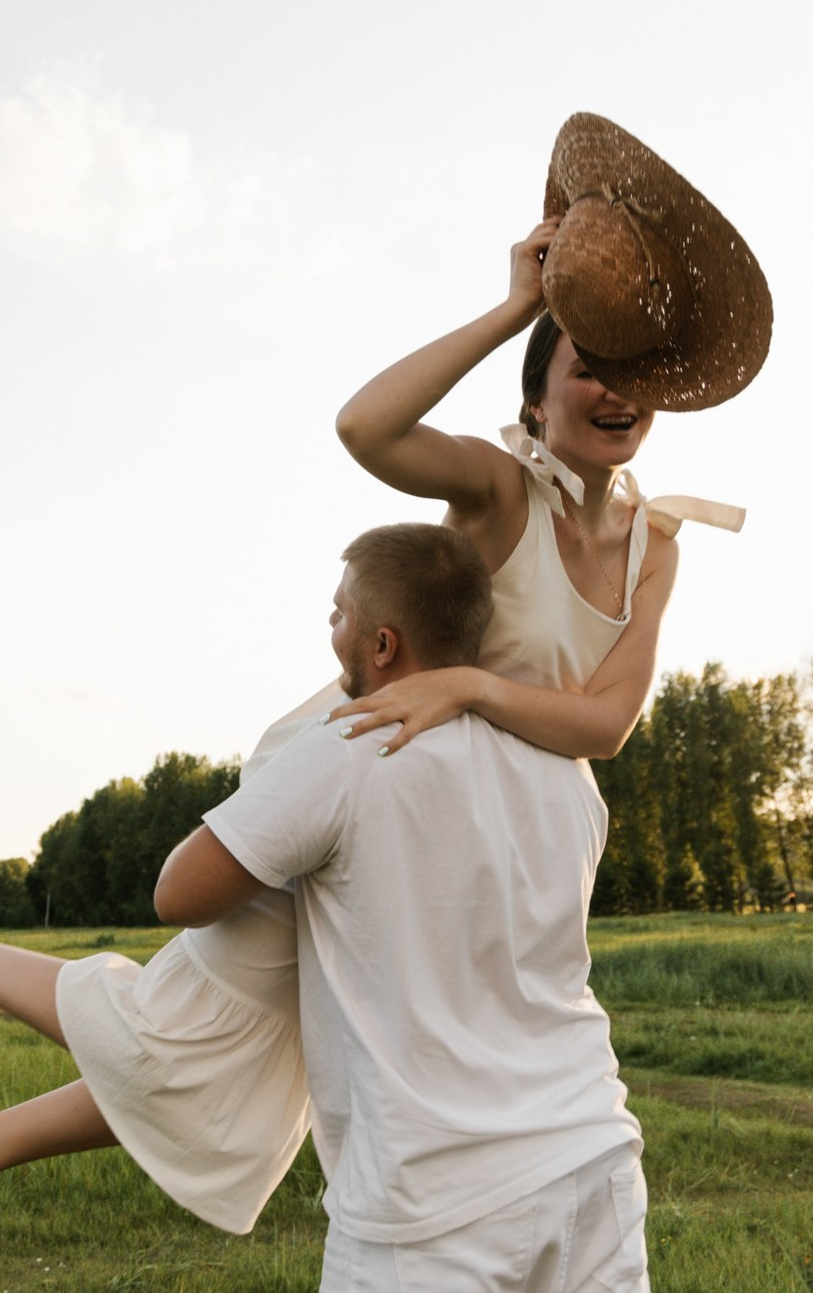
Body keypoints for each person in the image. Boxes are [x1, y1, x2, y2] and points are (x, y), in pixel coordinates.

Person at [0, 113, 763, 1289]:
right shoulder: (502, 486)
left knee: (267, 1052)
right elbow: (366, 426)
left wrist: (467, 686)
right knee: (189, 1035)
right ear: (541, 391)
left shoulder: (656, 542)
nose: (610, 391)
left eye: (628, 374)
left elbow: (608, 723)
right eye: (582, 366)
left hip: (496, 797)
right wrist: (513, 306)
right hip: (377, 762)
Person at [155, 522, 646, 1289]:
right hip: (590, 1153)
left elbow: (178, 893)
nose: (330, 628)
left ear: (382, 645)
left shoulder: (349, 747)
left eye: (338, 613)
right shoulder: (568, 770)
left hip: (430, 1199)